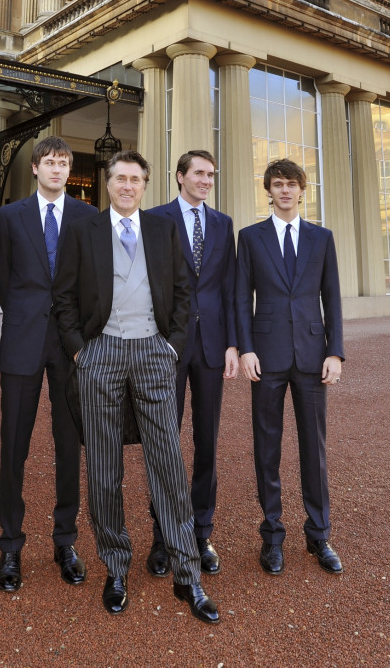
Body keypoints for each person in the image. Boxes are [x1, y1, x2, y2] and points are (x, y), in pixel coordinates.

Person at [53, 151, 219, 624]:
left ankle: (188, 576)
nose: (128, 186)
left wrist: (173, 347)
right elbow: (63, 296)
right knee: (104, 468)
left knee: (167, 462)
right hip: (100, 352)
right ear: (107, 184)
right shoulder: (82, 230)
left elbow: (184, 293)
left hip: (152, 351)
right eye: (120, 178)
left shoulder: (164, 230)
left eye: (136, 179)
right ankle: (116, 568)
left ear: (146, 184)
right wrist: (79, 350)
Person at [0, 136, 96, 592]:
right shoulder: (11, 216)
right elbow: (0, 279)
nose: (57, 169)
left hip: (70, 347)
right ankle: (11, 546)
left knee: (68, 445)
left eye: (64, 163)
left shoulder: (86, 216)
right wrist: (21, 320)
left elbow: (94, 284)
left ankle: (65, 540)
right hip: (21, 342)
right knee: (14, 445)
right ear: (35, 168)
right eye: (50, 162)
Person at [235, 158, 345, 576]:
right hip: (266, 355)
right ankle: (273, 537)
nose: (285, 190)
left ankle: (319, 535)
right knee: (267, 448)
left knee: (314, 450)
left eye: (292, 184)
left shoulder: (321, 238)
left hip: (314, 357)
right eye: (278, 184)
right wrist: (245, 348)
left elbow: (331, 297)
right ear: (269, 190)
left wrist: (335, 352)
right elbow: (241, 299)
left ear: (302, 190)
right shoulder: (250, 237)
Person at [145, 150, 237, 577]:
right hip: (167, 344)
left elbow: (230, 289)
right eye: (198, 173)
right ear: (179, 175)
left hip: (213, 347)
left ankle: (201, 533)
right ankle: (164, 536)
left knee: (207, 442)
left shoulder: (222, 224)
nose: (205, 180)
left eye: (211, 175)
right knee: (163, 441)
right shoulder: (156, 219)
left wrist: (234, 345)